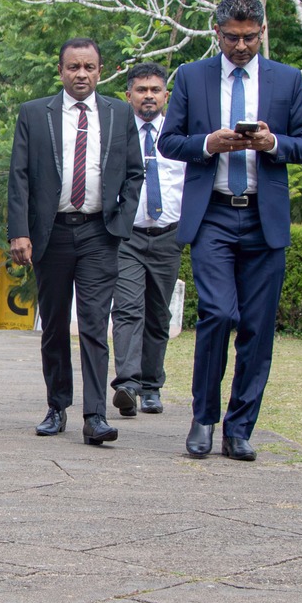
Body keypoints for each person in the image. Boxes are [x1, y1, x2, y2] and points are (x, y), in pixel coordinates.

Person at [158, 0, 302, 461]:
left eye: (250, 37)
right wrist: (209, 142)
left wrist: (272, 142)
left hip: (263, 217)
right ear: (217, 33)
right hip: (213, 213)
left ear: (262, 31)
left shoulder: (288, 81)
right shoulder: (191, 77)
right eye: (232, 38)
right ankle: (203, 418)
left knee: (257, 326)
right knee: (219, 314)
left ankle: (240, 427)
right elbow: (169, 141)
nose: (242, 46)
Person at [6, 38, 143, 446]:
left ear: (100, 70)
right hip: (52, 233)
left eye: (89, 67)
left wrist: (121, 218)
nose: (81, 74)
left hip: (100, 232)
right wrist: (20, 231)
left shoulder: (120, 112)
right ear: (61, 70)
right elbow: (19, 177)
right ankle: (56, 406)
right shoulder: (35, 113)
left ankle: (95, 414)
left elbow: (136, 173)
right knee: (52, 325)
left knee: (94, 325)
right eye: (73, 67)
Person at [109, 62, 186, 418]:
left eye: (155, 90)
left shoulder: (179, 135)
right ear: (129, 96)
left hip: (169, 236)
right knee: (127, 309)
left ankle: (152, 386)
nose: (149, 96)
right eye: (141, 90)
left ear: (166, 95)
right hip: (128, 237)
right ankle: (127, 383)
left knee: (158, 313)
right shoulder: (118, 133)